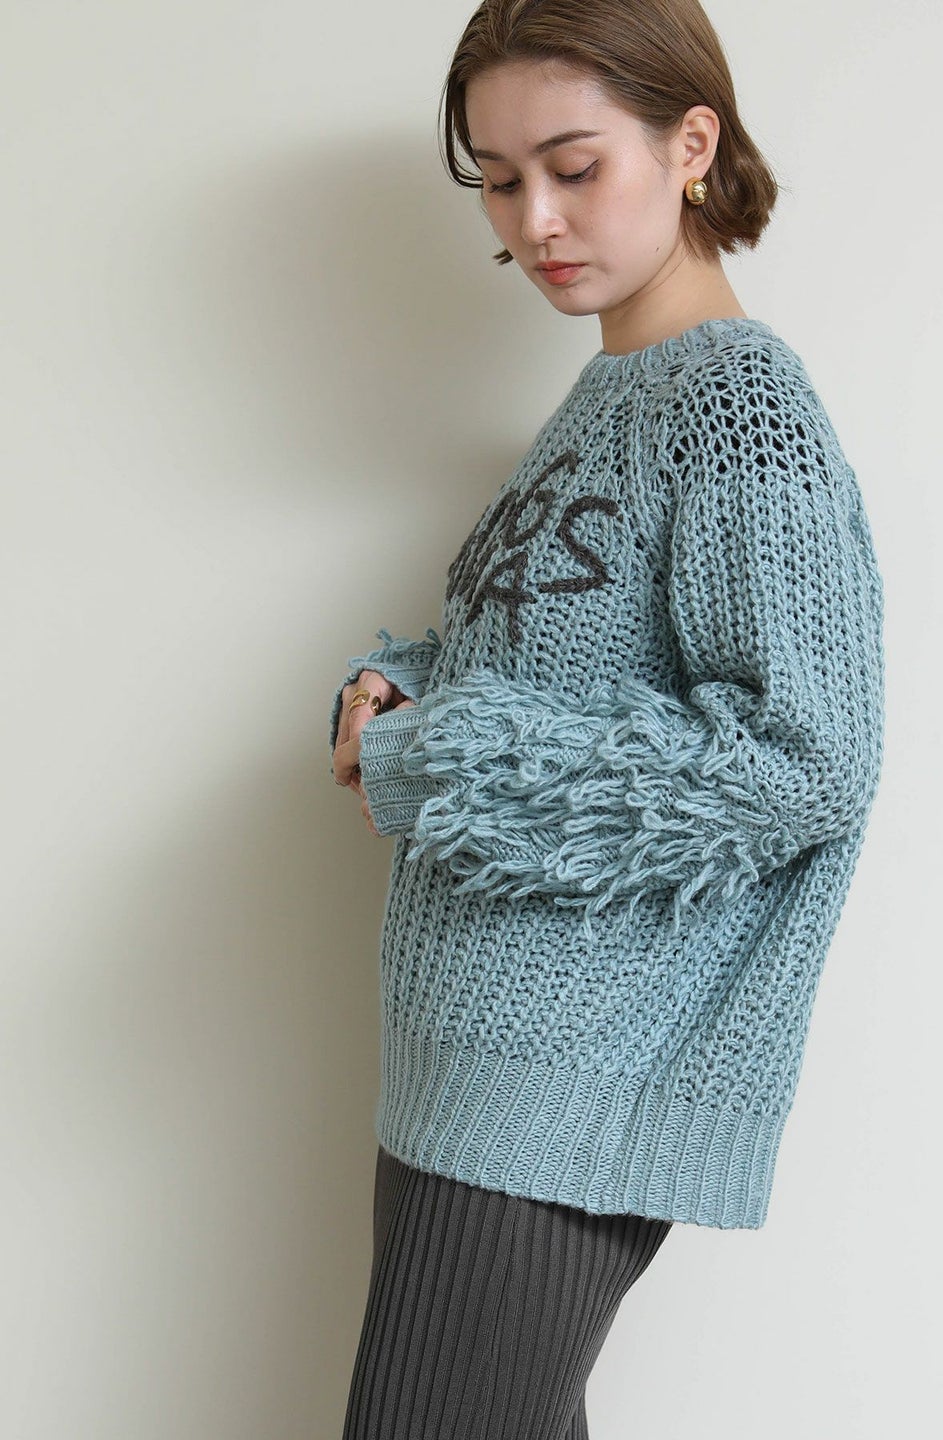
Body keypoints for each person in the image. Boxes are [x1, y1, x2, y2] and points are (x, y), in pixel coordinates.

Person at [329, 1, 886, 1435]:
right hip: (462, 1065)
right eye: (500, 180)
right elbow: (561, 662)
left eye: (574, 167)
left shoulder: (740, 409)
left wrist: (427, 760)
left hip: (559, 1079)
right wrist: (410, 680)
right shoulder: (611, 392)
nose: (535, 221)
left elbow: (802, 758)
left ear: (692, 143)